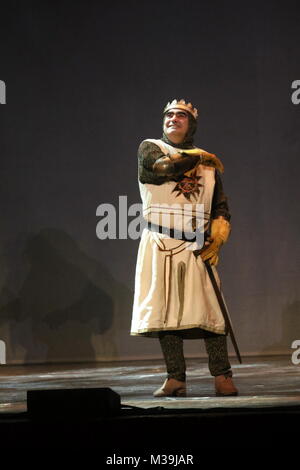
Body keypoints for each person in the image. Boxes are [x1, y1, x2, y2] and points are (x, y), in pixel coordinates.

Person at [130, 99, 238, 397]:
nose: (174, 119)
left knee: (211, 311)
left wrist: (218, 235)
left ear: (191, 124)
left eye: (181, 115)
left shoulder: (209, 166)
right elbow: (164, 169)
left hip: (197, 245)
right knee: (167, 313)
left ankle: (222, 375)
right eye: (169, 114)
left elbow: (220, 206)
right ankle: (175, 377)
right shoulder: (150, 148)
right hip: (161, 241)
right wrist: (197, 155)